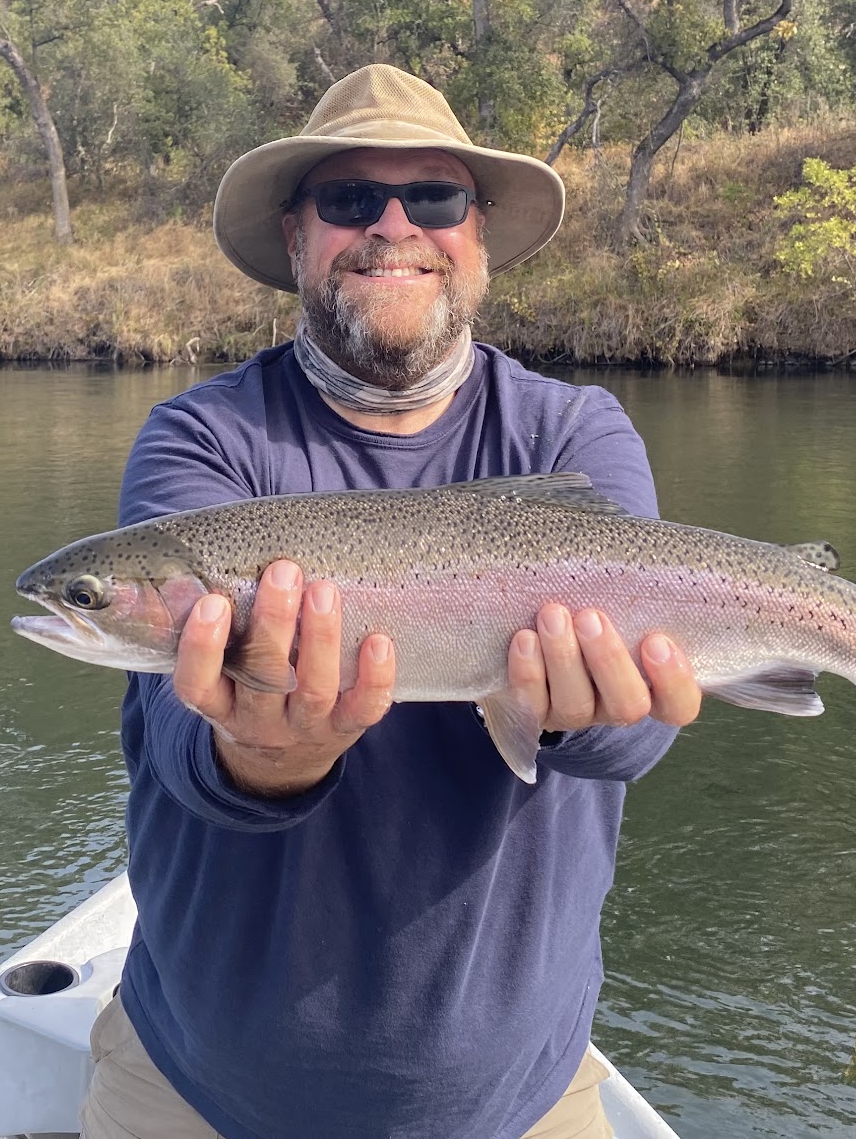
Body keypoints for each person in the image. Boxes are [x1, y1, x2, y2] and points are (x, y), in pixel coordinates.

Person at [81, 65, 703, 1139]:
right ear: (296, 236)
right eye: (350, 198)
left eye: (435, 197)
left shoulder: (575, 432)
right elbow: (181, 745)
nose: (394, 225)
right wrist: (263, 756)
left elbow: (630, 746)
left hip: (521, 1097)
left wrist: (578, 713)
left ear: (477, 235)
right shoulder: (201, 439)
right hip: (197, 1088)